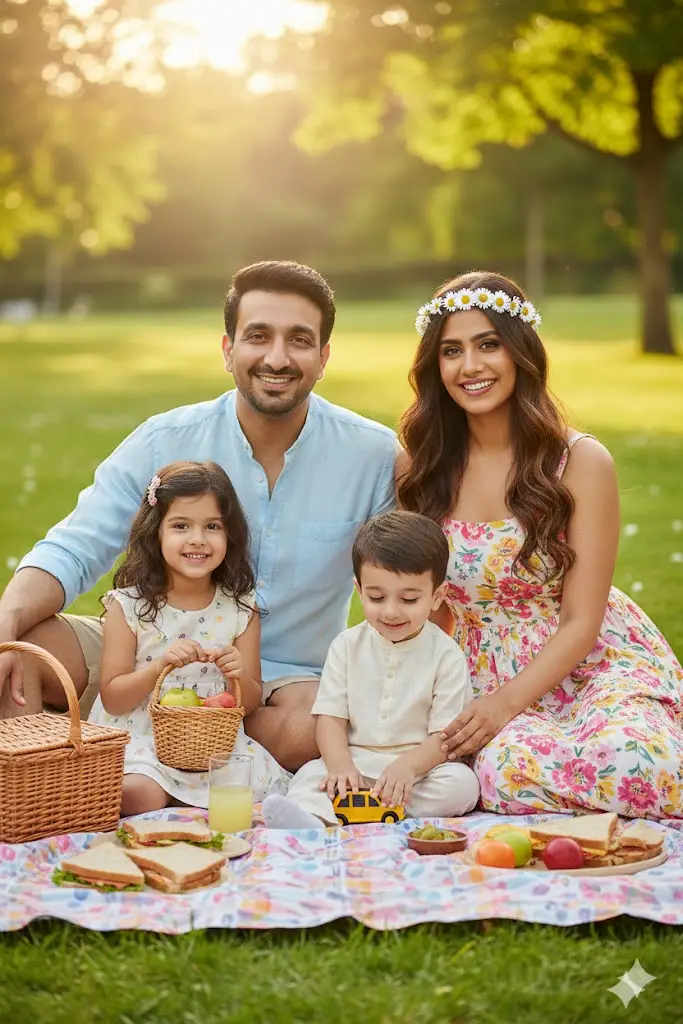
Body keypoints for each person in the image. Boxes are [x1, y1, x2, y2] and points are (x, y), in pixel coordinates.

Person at [0, 261, 397, 772]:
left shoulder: (373, 455)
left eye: (299, 340)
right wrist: (6, 623)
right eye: (258, 336)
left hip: (285, 682)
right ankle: (43, 787)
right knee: (23, 648)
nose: (277, 357)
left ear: (323, 357)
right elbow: (73, 548)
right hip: (149, 651)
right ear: (228, 349)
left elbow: (408, 582)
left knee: (311, 731)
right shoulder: (163, 440)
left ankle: (161, 747)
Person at [397, 270, 683, 819]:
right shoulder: (423, 469)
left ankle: (634, 777)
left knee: (636, 762)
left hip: (591, 660)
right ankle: (606, 814)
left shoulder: (578, 462)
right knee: (507, 776)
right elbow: (423, 606)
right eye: (451, 350)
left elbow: (583, 620)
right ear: (435, 366)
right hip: (483, 673)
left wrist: (508, 703)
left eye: (488, 345)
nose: (470, 366)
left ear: (521, 352)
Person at [89, 461, 288, 814]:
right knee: (139, 791)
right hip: (143, 739)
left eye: (212, 526)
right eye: (181, 526)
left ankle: (183, 805)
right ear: (156, 533)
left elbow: (250, 700)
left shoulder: (241, 609)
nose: (198, 539)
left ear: (231, 535)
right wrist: (158, 668)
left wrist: (236, 674)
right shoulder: (129, 606)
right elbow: (114, 697)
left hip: (211, 745)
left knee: (252, 790)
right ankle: (168, 801)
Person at [263, 511, 480, 829]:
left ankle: (355, 812)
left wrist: (408, 767)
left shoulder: (447, 655)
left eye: (408, 599)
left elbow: (444, 738)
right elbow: (330, 720)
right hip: (356, 762)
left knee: (462, 786)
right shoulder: (346, 645)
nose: (391, 611)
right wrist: (340, 766)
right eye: (376, 597)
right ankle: (315, 819)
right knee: (311, 777)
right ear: (359, 589)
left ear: (436, 597)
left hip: (417, 769)